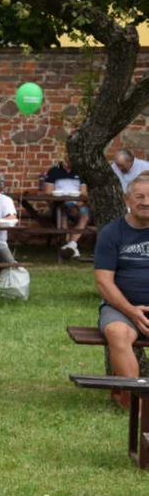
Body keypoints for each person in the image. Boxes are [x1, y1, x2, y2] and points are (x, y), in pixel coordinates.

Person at [94, 174, 149, 409]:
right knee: (116, 332)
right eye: (139, 196)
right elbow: (103, 282)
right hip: (122, 309)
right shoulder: (111, 233)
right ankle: (134, 405)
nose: (146, 202)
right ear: (127, 199)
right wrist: (132, 311)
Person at [43, 153, 90, 259]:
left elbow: (84, 194)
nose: (72, 161)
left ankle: (71, 245)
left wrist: (77, 206)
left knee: (84, 215)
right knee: (62, 216)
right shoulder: (54, 171)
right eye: (70, 158)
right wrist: (63, 204)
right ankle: (72, 247)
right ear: (64, 157)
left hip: (77, 203)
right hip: (59, 204)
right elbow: (48, 193)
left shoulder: (81, 172)